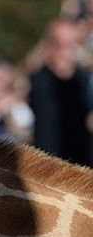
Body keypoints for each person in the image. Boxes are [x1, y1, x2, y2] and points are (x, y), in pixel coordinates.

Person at [28, 17, 93, 167]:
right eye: (58, 43)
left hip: (81, 169)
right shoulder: (38, 78)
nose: (64, 50)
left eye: (69, 44)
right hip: (46, 168)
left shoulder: (84, 81)